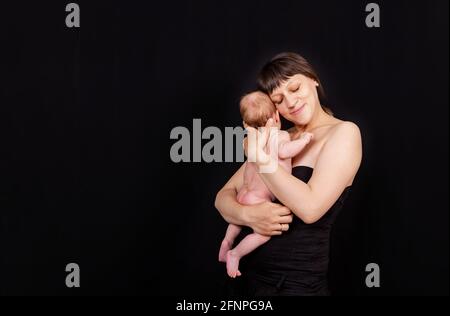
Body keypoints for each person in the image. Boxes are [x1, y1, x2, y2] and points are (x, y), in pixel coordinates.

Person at [215, 52, 363, 296]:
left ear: (313, 79)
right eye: (279, 99)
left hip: (294, 285)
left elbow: (310, 209)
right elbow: (222, 197)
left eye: (295, 88)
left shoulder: (344, 133)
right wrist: (248, 215)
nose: (291, 102)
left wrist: (260, 157)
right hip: (245, 280)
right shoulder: (278, 138)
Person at [218, 91, 313, 279]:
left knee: (236, 222)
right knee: (263, 235)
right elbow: (286, 151)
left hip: (243, 194)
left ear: (246, 124)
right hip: (258, 199)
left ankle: (227, 241)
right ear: (276, 116)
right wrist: (304, 141)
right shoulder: (280, 136)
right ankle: (235, 253)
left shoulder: (252, 142)